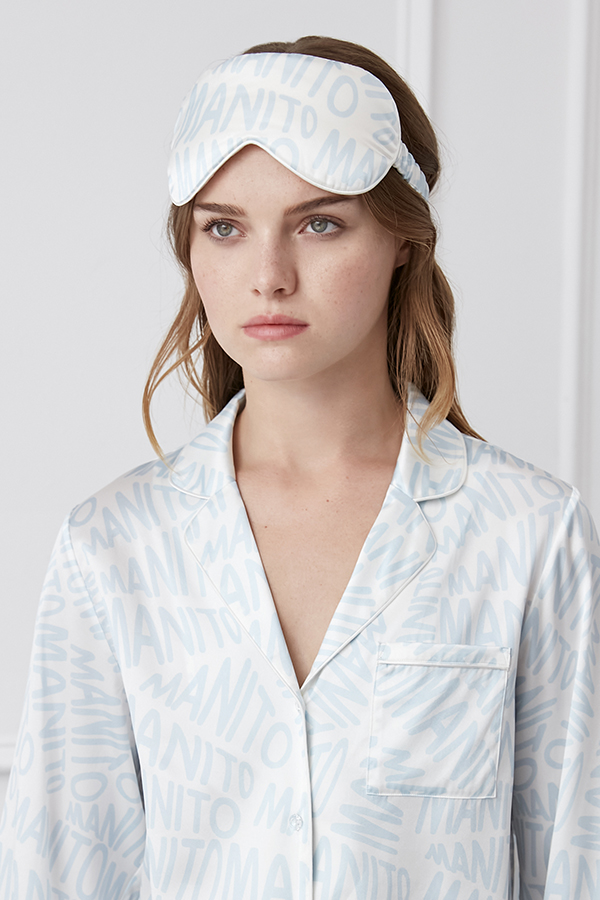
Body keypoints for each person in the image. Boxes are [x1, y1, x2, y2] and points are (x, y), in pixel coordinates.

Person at [0, 34, 598, 900]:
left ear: (403, 238)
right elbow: (60, 875)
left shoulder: (527, 534)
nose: (269, 277)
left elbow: (576, 863)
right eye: (225, 227)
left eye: (320, 223)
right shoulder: (114, 548)